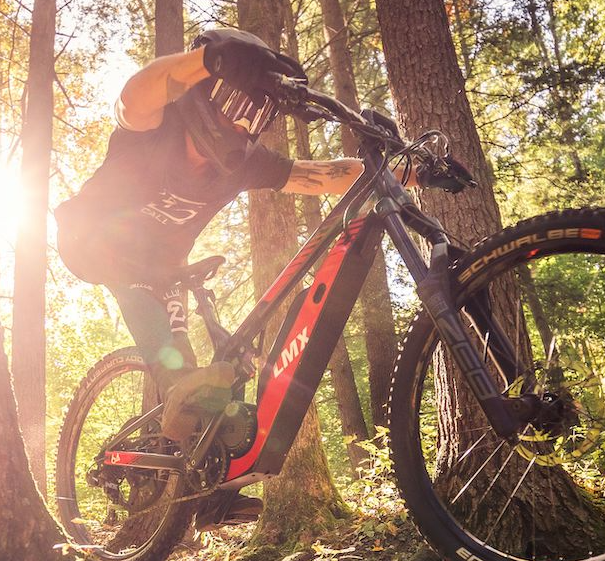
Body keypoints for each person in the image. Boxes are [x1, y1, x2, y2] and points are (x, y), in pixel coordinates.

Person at [54, 28, 412, 527]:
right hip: (94, 243)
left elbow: (323, 174)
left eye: (258, 115)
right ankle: (180, 408)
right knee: (176, 372)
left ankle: (206, 486)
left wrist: (408, 170)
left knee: (212, 371)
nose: (245, 124)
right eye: (238, 106)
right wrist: (209, 58)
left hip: (164, 268)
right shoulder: (157, 125)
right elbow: (134, 95)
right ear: (205, 95)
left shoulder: (241, 164)